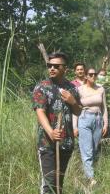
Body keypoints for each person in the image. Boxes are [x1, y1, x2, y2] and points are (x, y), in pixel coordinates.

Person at [32, 52, 82, 194]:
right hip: (47, 143)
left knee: (59, 182)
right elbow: (40, 112)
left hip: (66, 142)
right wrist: (51, 132)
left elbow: (78, 112)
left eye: (56, 66)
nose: (51, 68)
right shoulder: (42, 87)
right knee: (49, 183)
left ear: (65, 69)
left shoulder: (72, 88)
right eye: (49, 65)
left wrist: (72, 102)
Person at [73, 68, 108, 186]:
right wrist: (74, 126)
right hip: (84, 119)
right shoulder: (79, 89)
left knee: (94, 149)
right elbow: (75, 108)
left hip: (98, 120)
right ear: (86, 76)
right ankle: (91, 179)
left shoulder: (101, 88)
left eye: (95, 74)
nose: (93, 76)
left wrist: (106, 123)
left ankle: (88, 173)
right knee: (87, 150)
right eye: (90, 74)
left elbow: (104, 108)